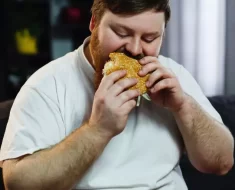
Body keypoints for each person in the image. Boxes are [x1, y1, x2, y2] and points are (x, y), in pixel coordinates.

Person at [1, 0, 234, 189]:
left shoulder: (173, 75)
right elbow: (18, 183)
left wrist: (183, 106)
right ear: (94, 24)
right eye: (121, 32)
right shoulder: (47, 84)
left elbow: (222, 163)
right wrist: (98, 130)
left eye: (149, 38)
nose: (134, 49)